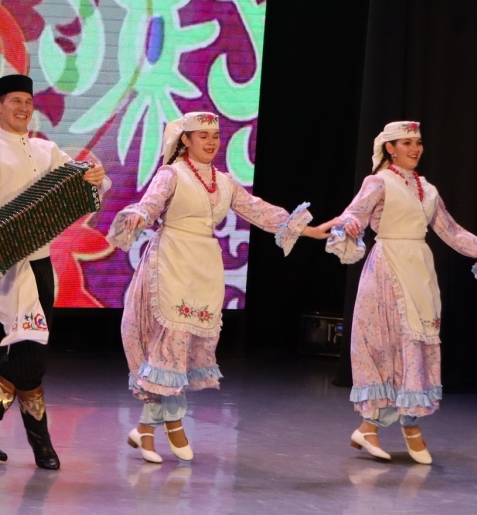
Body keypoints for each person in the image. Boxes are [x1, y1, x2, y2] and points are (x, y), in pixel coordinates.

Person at [108, 111, 323, 463]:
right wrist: (138, 216)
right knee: (171, 342)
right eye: (202, 136)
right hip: (171, 260)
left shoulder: (224, 182)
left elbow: (258, 210)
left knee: (181, 347)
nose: (211, 142)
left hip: (204, 265)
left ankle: (146, 430)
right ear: (186, 140)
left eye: (215, 136)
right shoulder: (171, 174)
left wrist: (307, 229)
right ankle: (174, 424)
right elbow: (150, 204)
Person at [320, 121, 477, 463]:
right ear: (390, 148)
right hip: (388, 268)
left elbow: (453, 232)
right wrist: (348, 226)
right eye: (407, 143)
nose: (415, 149)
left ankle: (395, 425)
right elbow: (353, 215)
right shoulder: (379, 181)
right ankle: (382, 427)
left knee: (416, 347)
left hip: (419, 270)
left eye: (418, 142)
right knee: (388, 346)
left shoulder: (427, 189)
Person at [0, 73, 108, 470]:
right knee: (31, 351)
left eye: (27, 101)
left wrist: (95, 176)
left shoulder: (45, 149)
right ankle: (9, 429)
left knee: (30, 355)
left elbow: (86, 180)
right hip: (7, 265)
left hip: (41, 262)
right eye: (14, 101)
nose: (23, 108)